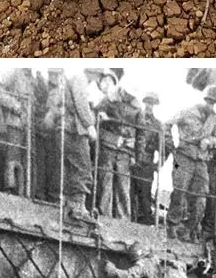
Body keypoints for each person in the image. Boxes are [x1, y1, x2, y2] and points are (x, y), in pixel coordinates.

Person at [168, 88, 216, 243]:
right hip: (183, 157)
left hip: (201, 161)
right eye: (209, 101)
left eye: (214, 103)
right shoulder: (187, 112)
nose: (210, 105)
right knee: (179, 192)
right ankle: (172, 226)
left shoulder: (214, 120)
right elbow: (167, 124)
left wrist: (209, 142)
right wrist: (171, 145)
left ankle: (188, 229)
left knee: (201, 198)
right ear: (204, 99)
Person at [42, 70, 99, 222]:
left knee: (69, 167)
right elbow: (80, 102)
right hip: (74, 130)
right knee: (83, 167)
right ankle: (78, 207)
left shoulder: (73, 79)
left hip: (64, 128)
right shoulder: (80, 78)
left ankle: (70, 204)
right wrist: (90, 125)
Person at [94, 76, 136, 221]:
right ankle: (104, 215)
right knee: (106, 183)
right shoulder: (109, 98)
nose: (127, 97)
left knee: (123, 187)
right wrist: (102, 117)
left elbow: (141, 134)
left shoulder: (136, 107)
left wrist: (136, 154)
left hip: (125, 151)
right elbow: (96, 115)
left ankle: (123, 219)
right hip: (108, 146)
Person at [131, 92, 165, 226]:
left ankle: (143, 223)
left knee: (144, 195)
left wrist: (158, 165)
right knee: (129, 192)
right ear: (144, 102)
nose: (149, 106)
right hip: (132, 159)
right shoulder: (135, 117)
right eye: (148, 102)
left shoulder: (158, 125)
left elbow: (162, 148)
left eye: (152, 103)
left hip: (146, 163)